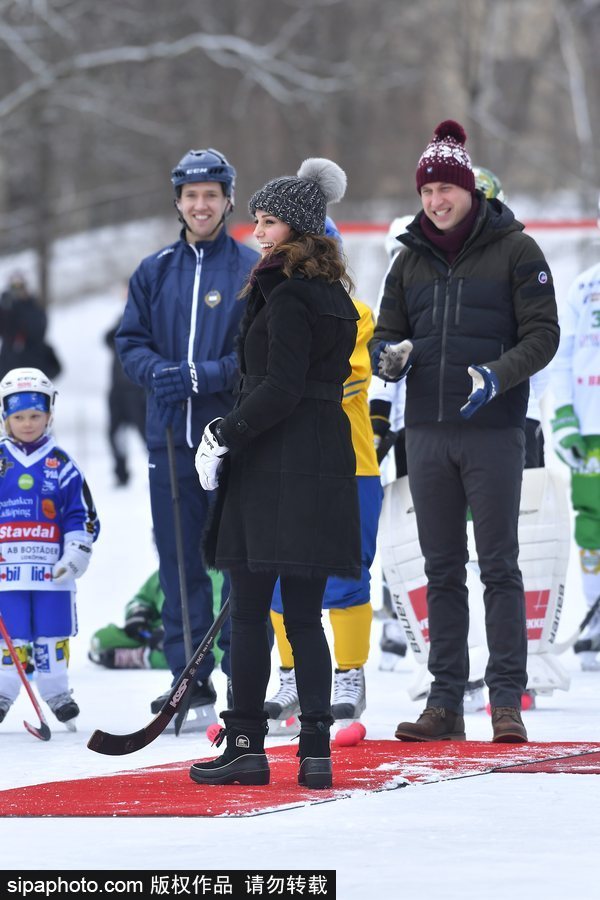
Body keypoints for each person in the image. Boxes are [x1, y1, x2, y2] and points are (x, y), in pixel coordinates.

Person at [370, 120, 559, 744]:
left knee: (500, 566)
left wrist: (497, 376)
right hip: (426, 430)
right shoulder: (407, 259)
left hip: (494, 430)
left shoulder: (517, 250)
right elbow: (385, 337)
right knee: (441, 568)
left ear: (469, 190)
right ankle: (444, 700)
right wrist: (389, 358)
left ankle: (506, 698)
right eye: (427, 191)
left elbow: (543, 335)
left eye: (446, 189)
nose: (436, 201)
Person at [192, 157, 361, 789]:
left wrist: (222, 432)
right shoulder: (333, 295)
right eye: (256, 220)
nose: (256, 233)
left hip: (275, 464)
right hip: (320, 462)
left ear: (297, 228)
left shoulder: (286, 294)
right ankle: (313, 749)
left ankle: (246, 746)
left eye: (268, 222)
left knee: (250, 612)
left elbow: (280, 388)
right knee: (304, 615)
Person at [116, 149, 259, 729]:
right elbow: (130, 343)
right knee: (178, 565)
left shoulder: (250, 269)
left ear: (228, 199)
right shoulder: (155, 270)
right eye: (191, 195)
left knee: (237, 563)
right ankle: (187, 680)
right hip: (169, 442)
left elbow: (253, 353)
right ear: (177, 201)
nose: (201, 205)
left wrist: (206, 375)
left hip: (229, 442)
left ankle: (240, 680)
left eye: (211, 194)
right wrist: (158, 373)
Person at [265, 217, 382, 736]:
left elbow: (342, 377)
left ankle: (349, 673)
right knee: (277, 575)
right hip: (285, 464)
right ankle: (289, 675)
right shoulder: (266, 305)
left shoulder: (355, 313)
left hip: (348, 463)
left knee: (348, 570)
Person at [0, 367, 100, 729]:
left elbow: (82, 514)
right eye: (19, 416)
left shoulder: (62, 464)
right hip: (6, 573)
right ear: (5, 416)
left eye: (36, 416)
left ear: (49, 415)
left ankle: (57, 692)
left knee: (52, 634)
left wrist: (76, 552)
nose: (28, 424)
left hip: (51, 571)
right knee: (10, 637)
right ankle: (4, 692)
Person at [550, 197, 600, 671]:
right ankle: (596, 613)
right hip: (590, 428)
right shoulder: (585, 287)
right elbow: (562, 358)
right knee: (592, 525)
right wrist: (564, 418)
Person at [88, 567, 224, 672]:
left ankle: (143, 657)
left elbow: (214, 614)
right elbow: (142, 598)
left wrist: (174, 629)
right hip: (153, 633)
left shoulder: (215, 574)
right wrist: (138, 614)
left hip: (193, 635)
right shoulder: (164, 572)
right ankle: (147, 650)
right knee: (101, 638)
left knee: (203, 654)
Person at [104, 305, 146, 487]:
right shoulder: (118, 329)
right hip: (117, 391)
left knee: (146, 434)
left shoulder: (145, 328)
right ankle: (121, 473)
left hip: (137, 392)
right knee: (114, 434)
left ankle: (155, 471)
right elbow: (106, 338)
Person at [0, 273, 61, 381]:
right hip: (9, 363)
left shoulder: (33, 306)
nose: (17, 291)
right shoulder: (5, 308)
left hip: (33, 363)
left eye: (20, 287)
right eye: (14, 287)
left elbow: (39, 329)